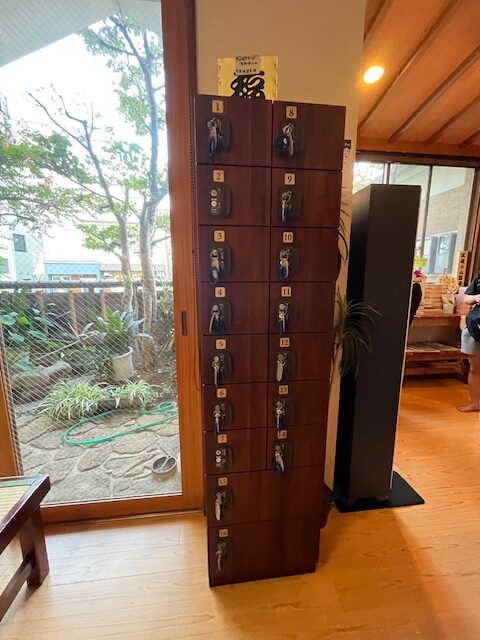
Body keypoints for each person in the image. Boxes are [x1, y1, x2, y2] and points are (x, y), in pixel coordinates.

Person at [459, 272, 480, 412]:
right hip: (476, 325)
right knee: (475, 367)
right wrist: (476, 298)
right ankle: (475, 403)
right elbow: (467, 298)